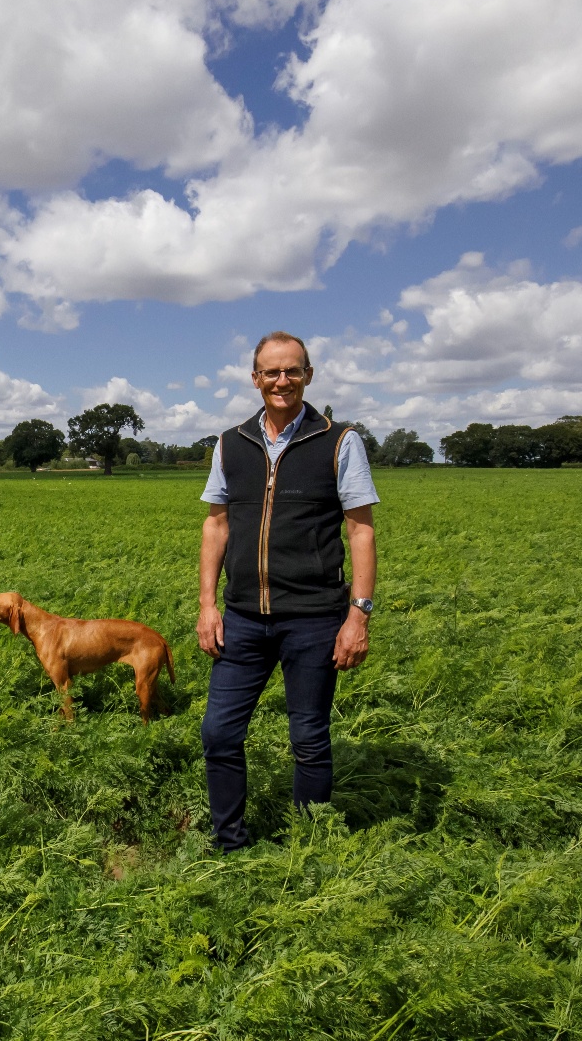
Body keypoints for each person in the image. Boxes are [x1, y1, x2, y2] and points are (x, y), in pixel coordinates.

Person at [196, 330, 378, 850]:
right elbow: (216, 524)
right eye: (271, 372)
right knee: (219, 734)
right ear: (255, 379)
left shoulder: (340, 440)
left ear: (309, 376)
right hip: (243, 618)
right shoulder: (232, 443)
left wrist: (357, 616)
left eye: (292, 371)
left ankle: (308, 851)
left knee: (309, 738)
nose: (282, 381)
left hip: (315, 618)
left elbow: (360, 529)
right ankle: (229, 843)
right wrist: (208, 605)